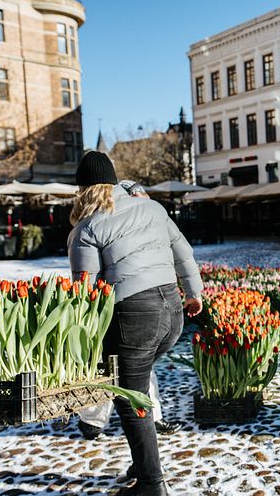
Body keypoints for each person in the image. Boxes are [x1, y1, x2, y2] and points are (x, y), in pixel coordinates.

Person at [68, 151, 203, 496]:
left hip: (135, 316)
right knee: (135, 389)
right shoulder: (154, 209)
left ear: (82, 189)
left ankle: (151, 483)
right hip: (172, 312)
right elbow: (182, 251)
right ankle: (145, 462)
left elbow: (84, 291)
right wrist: (194, 293)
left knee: (131, 398)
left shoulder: (87, 227)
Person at [77, 180, 181, 440]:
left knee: (118, 367)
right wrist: (193, 292)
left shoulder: (93, 223)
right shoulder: (144, 210)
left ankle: (99, 421)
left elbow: (85, 284)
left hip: (126, 305)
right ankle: (97, 419)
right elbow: (182, 251)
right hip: (156, 304)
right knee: (122, 367)